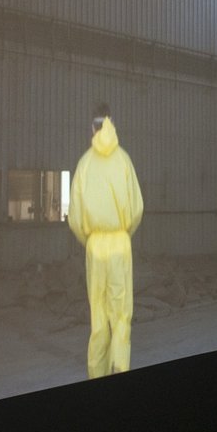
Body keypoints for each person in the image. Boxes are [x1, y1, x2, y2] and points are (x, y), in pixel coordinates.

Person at [67, 102, 145, 378]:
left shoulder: (84, 164)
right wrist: (122, 234)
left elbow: (75, 217)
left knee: (98, 318)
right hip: (120, 244)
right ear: (112, 123)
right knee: (121, 314)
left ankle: (96, 374)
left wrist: (89, 240)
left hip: (95, 246)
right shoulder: (124, 160)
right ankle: (120, 368)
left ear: (92, 128)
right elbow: (136, 209)